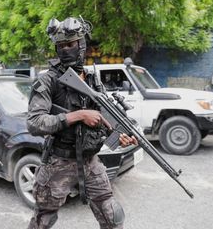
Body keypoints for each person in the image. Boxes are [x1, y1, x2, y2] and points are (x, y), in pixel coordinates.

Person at [26, 17, 137, 229]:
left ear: (81, 45)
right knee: (44, 219)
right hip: (58, 161)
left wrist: (118, 136)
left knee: (112, 215)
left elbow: (104, 121)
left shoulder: (93, 80)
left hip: (90, 160)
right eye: (61, 46)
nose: (66, 50)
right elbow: (34, 123)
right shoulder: (48, 81)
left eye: (71, 44)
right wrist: (77, 115)